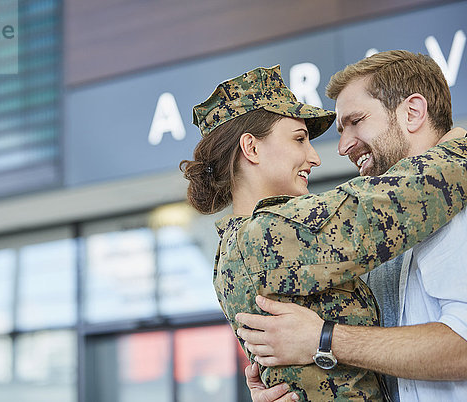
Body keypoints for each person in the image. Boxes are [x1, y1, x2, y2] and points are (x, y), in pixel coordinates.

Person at [180, 63, 467, 401]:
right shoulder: (269, 233)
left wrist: (319, 344)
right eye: (299, 139)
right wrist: (459, 144)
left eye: (356, 121)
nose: (318, 156)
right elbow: (399, 198)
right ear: (252, 148)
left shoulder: (240, 245)